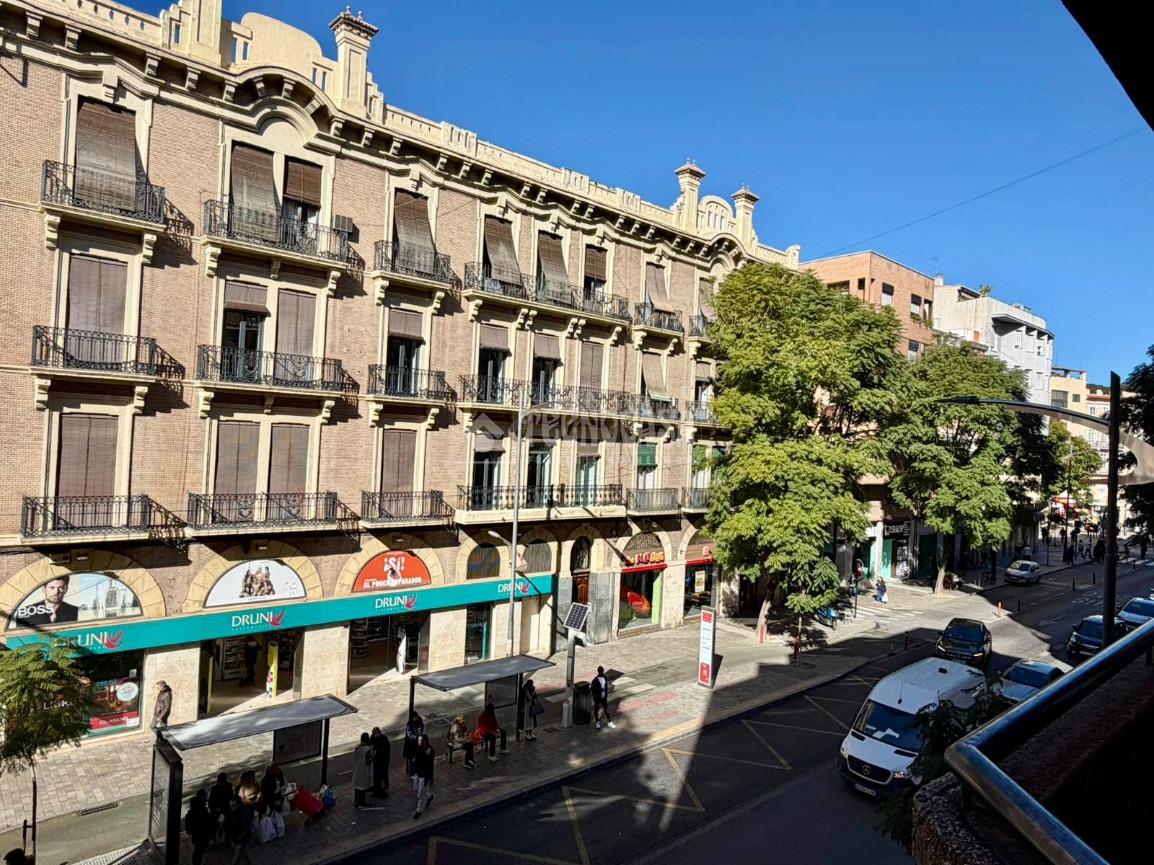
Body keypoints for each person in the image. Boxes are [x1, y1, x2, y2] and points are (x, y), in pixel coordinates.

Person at [14, 575, 80, 627]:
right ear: (43, 589)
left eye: (60, 588)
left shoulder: (75, 611)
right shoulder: (25, 612)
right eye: (52, 588)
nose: (56, 592)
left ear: (66, 589)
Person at [185, 789, 214, 865]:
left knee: (197, 851)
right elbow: (207, 822)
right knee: (199, 852)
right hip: (202, 835)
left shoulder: (193, 811)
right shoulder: (202, 811)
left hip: (196, 835)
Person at [411, 733, 435, 819]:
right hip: (418, 773)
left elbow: (430, 765)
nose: (418, 742)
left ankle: (419, 811)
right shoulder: (418, 748)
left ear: (425, 741)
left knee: (421, 794)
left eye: (420, 740)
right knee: (416, 789)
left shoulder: (429, 750)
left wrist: (429, 777)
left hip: (424, 775)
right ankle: (429, 796)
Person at [226, 796, 253, 865]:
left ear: (238, 804)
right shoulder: (234, 811)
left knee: (237, 857)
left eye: (233, 805)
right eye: (230, 805)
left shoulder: (243, 813)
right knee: (241, 853)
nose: (231, 808)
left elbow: (246, 827)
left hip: (241, 839)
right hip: (236, 838)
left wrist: (237, 840)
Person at [353, 731, 374, 807]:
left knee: (357, 787)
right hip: (364, 770)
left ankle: (356, 801)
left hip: (357, 769)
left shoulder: (357, 746)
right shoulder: (366, 749)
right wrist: (373, 758)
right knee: (362, 787)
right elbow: (368, 761)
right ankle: (361, 802)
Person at [370, 726, 391, 796]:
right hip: (377, 759)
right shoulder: (373, 737)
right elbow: (370, 744)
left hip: (384, 759)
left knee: (384, 773)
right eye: (375, 733)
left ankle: (385, 785)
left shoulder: (384, 738)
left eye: (377, 733)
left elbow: (387, 749)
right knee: (376, 774)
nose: (376, 734)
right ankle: (377, 786)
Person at [403, 710, 424, 777]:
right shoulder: (409, 725)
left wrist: (421, 737)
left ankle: (419, 771)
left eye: (416, 717)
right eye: (414, 717)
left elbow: (423, 729)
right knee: (413, 759)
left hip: (420, 743)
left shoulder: (420, 721)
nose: (415, 718)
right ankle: (412, 773)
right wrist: (417, 738)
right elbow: (409, 735)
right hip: (412, 745)